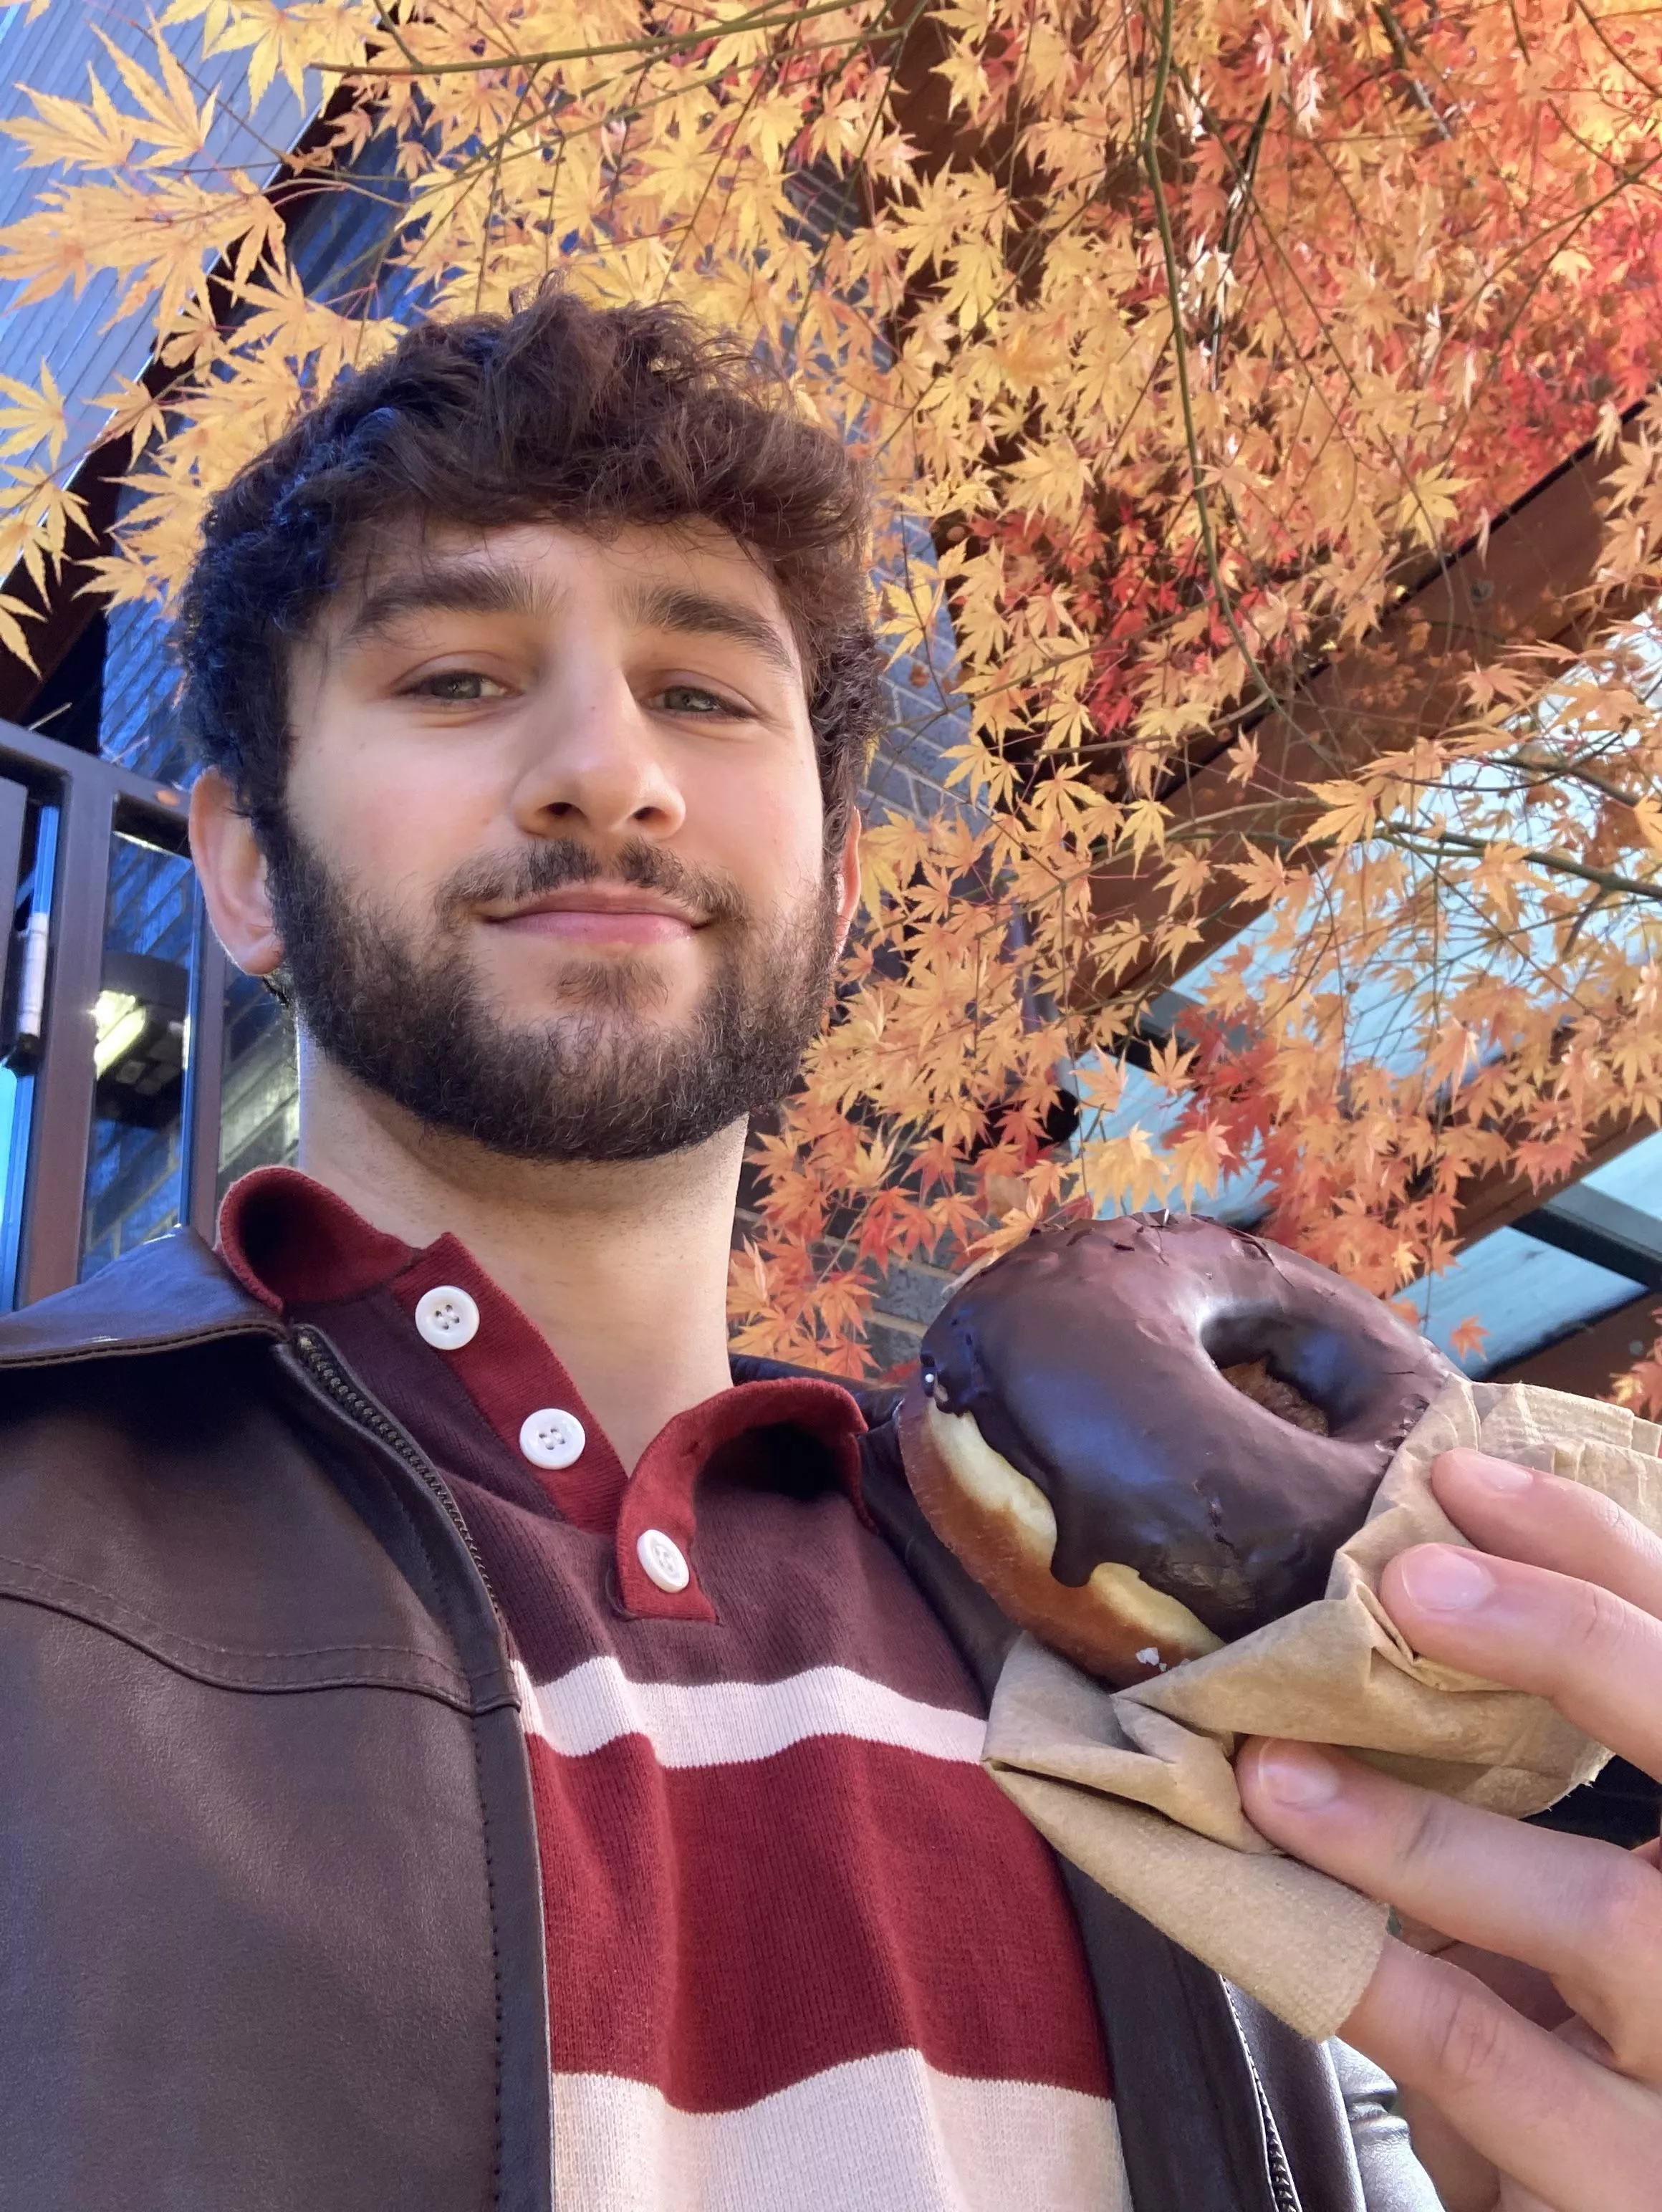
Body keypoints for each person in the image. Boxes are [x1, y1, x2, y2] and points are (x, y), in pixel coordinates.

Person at [0, 287, 1655, 2212]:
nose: (607, 771)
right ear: (246, 871)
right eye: (454, 679)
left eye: (704, 693)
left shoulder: (1185, 1677)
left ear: (844, 883)